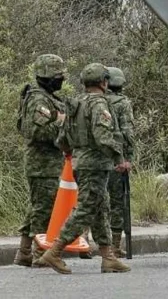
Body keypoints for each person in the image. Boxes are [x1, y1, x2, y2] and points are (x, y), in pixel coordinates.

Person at [40, 62, 131, 274]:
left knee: (101, 208)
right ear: (103, 82)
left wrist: (69, 152)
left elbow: (62, 137)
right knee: (86, 209)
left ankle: (108, 256)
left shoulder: (75, 103)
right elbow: (103, 136)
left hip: (81, 162)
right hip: (95, 164)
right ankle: (55, 250)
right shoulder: (99, 104)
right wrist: (119, 157)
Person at [14, 54, 67, 267]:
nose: (61, 79)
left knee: (39, 206)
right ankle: (40, 253)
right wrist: (62, 123)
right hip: (42, 164)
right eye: (58, 75)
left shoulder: (47, 97)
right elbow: (36, 132)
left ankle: (24, 252)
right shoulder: (38, 99)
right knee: (44, 209)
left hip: (48, 163)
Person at [105, 66, 135, 258]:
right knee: (117, 202)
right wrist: (128, 157)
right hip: (116, 158)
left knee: (92, 200)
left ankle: (86, 239)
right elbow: (128, 132)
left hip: (94, 158)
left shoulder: (94, 100)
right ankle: (115, 245)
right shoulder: (123, 103)